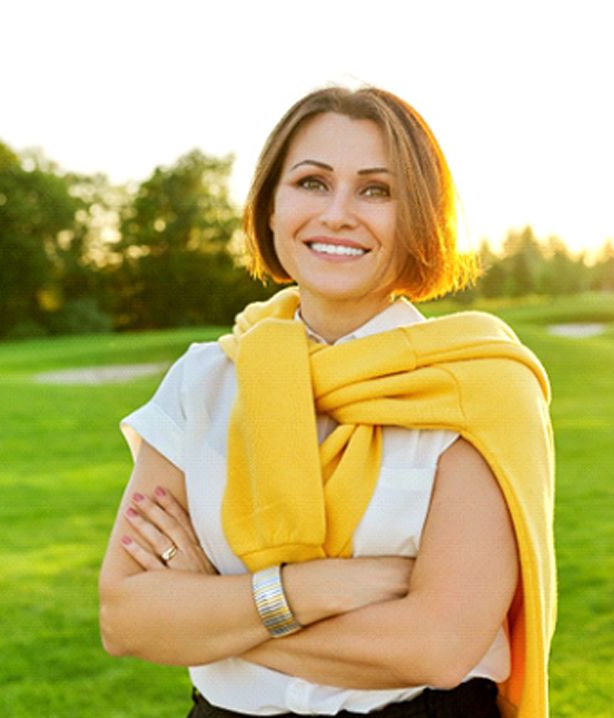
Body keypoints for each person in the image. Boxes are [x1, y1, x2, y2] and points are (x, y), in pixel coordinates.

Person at [98, 85, 556, 718]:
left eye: (376, 190)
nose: (338, 213)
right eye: (312, 183)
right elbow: (126, 617)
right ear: (272, 205)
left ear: (420, 214)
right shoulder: (202, 380)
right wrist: (306, 592)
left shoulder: (474, 385)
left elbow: (437, 647)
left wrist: (213, 606)